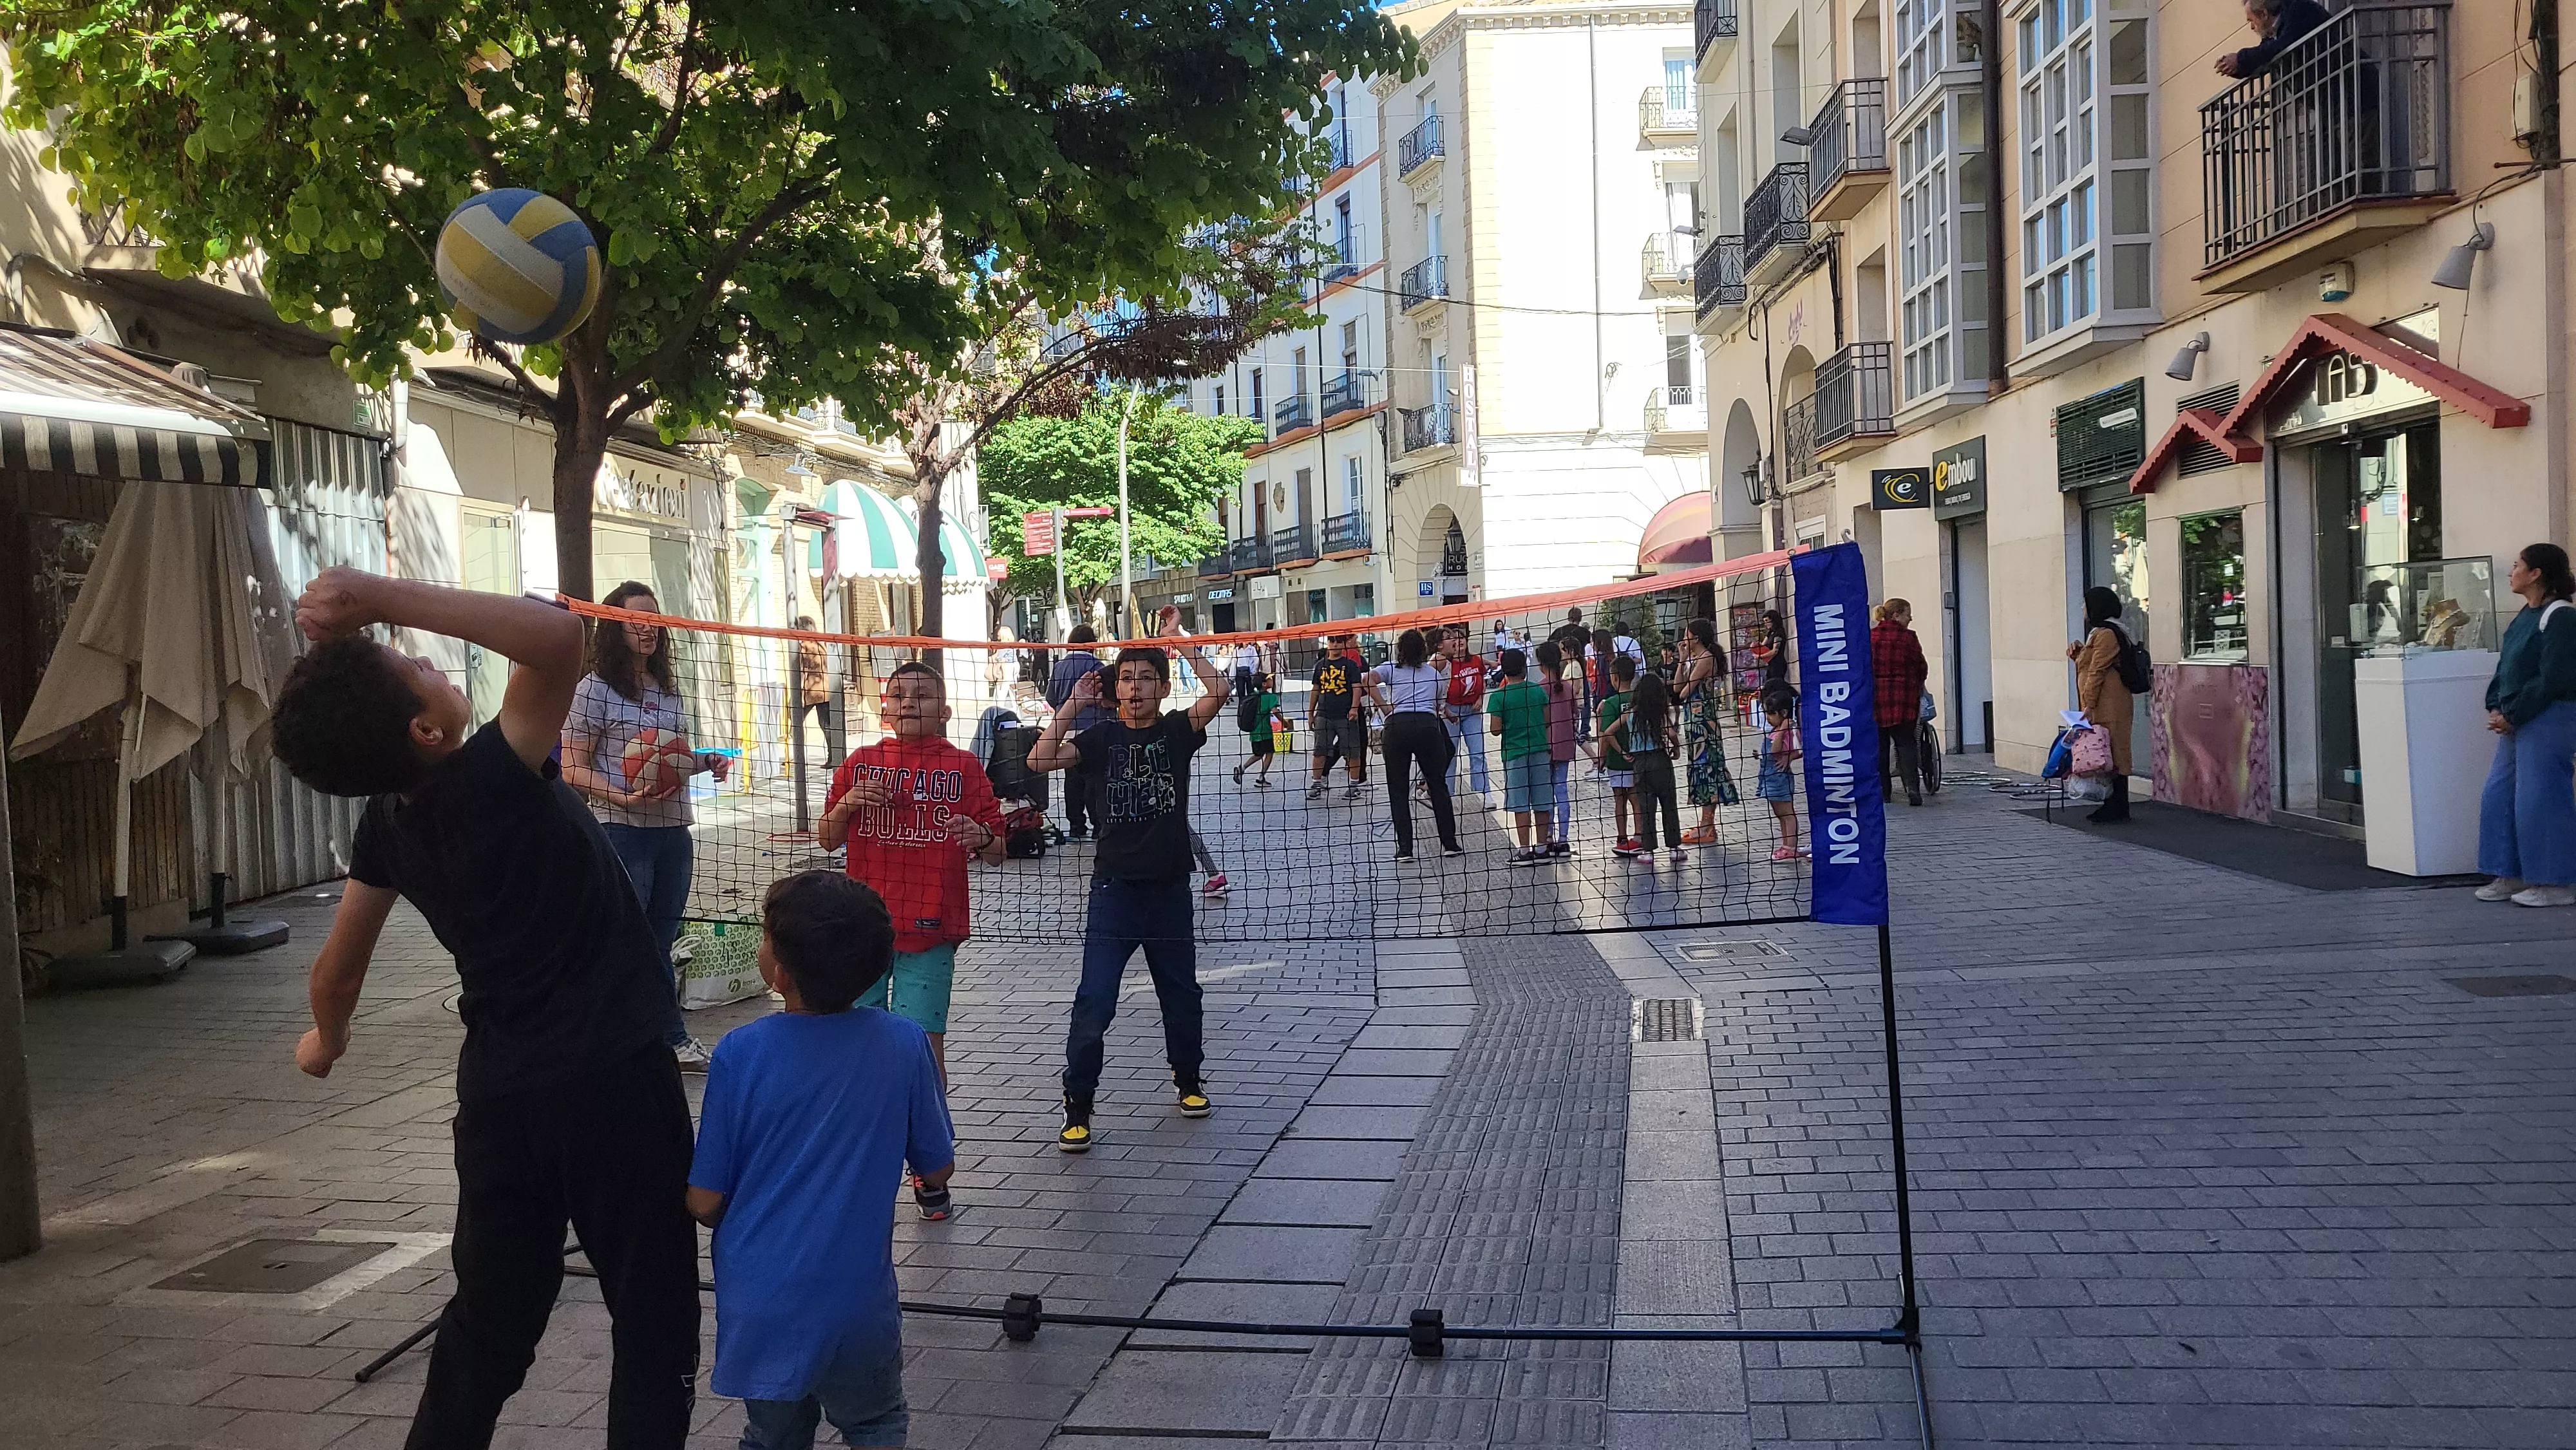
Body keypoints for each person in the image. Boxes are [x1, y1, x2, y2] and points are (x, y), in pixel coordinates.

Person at [270, 570, 697, 1447]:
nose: (429, 657)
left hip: (502, 1099)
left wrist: (327, 1041)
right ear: (428, 729)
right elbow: (555, 642)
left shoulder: (388, 821)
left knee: (490, 1324)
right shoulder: (494, 774)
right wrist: (380, 600)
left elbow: (336, 974)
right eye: (415, 665)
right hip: (612, 1082)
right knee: (655, 1323)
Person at [687, 871, 954, 1450]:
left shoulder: (739, 1052)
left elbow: (705, 1200)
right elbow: (936, 1170)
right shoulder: (905, 1043)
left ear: (781, 973)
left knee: (773, 1437)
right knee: (876, 1423)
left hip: (764, 1304)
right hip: (858, 1304)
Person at [1027, 607, 1230, 1151]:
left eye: (1144, 679)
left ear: (1162, 689)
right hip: (1113, 893)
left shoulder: (1174, 731)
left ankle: (1188, 1079)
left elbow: (1221, 689)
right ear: (1113, 689)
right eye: (1125, 679)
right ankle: (1078, 1104)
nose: (1134, 687)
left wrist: (1177, 641)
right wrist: (1074, 704)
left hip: (1168, 890)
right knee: (1095, 999)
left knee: (1181, 996)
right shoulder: (1100, 739)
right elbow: (1040, 760)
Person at [817, 661, 1002, 1220]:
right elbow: (826, 839)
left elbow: (996, 850)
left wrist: (983, 835)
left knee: (923, 1046)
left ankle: (929, 1165)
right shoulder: (862, 762)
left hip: (931, 928)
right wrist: (850, 802)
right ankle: (860, 1154)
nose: (909, 703)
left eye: (923, 695)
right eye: (898, 695)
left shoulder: (963, 767)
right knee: (856, 1041)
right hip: (863, 929)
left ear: (945, 709)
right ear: (883, 707)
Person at [563, 580, 732, 1071]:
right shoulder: (593, 691)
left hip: (673, 830)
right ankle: (636, 1038)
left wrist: (705, 761)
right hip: (622, 829)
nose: (647, 628)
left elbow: (665, 760)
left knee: (660, 938)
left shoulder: (665, 689)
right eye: (635, 619)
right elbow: (572, 767)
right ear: (613, 629)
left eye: (654, 619)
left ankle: (659, 1038)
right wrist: (622, 797)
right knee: (625, 940)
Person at [2474, 543, 2576, 909]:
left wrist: (2512, 713)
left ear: (2536, 574)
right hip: (2519, 715)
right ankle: (2510, 872)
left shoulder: (2561, 617)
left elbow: (2554, 678)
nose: (2511, 571)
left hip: (2548, 716)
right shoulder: (2524, 616)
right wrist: (2497, 705)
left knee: (2542, 797)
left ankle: (2555, 881)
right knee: (2499, 795)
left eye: (2518, 565)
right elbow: (2508, 667)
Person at [1359, 628, 1464, 862]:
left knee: (1398, 790)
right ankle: (1450, 844)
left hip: (1397, 727)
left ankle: (1405, 849)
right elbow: (1439, 706)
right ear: (1424, 650)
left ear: (1400, 649)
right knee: (1438, 785)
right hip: (1427, 726)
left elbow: (1366, 680)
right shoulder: (1434, 674)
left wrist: (1385, 707)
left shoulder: (1390, 668)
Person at [2069, 587, 2137, 824]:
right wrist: (2079, 653)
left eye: (2086, 604)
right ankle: (2112, 804)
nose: (2083, 609)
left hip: (2111, 703)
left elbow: (2097, 671)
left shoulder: (2107, 634)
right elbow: (2090, 665)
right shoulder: (2100, 633)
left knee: (2115, 750)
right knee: (2106, 750)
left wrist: (2088, 703)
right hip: (2103, 702)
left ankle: (2118, 806)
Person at [1606, 670, 1683, 866]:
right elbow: (1672, 733)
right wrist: (1676, 748)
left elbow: (1609, 732)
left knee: (1646, 807)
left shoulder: (1631, 714)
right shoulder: (1659, 713)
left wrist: (1623, 752)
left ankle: (1648, 850)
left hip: (1639, 763)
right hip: (1660, 759)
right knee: (1669, 804)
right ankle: (1674, 848)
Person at [1673, 617, 1736, 845]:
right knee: (1700, 768)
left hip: (1704, 722)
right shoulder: (1693, 659)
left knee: (1708, 768)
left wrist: (1687, 673)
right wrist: (1681, 661)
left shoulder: (1706, 658)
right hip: (1695, 722)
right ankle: (1705, 824)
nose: (1683, 640)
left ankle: (1708, 825)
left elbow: (1684, 693)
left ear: (1696, 637)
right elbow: (1677, 687)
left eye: (1686, 636)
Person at [1486, 648, 1552, 864]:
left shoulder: (1499, 697)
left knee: (1520, 802)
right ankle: (1542, 848)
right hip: (1540, 751)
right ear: (1525, 668)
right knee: (1542, 800)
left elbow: (1495, 730)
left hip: (1514, 754)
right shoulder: (1537, 691)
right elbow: (1548, 720)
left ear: (1504, 671)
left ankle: (1524, 851)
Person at [1046, 625, 1111, 841]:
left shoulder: (1060, 666)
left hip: (1066, 728)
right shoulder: (1096, 666)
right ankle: (1097, 825)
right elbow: (1105, 698)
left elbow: (1050, 698)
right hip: (1091, 728)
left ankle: (1075, 825)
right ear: (1092, 643)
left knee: (1071, 780)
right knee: (1093, 779)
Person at [1870, 599, 1931, 809]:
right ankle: (1912, 788)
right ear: (1896, 615)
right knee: (1906, 744)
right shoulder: (1908, 638)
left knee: (1880, 747)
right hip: (1904, 699)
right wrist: (1917, 684)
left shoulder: (1871, 637)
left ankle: (1884, 792)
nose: (1910, 618)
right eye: (1908, 614)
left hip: (1876, 700)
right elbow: (1921, 667)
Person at [1307, 632, 1370, 802]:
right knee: (1320, 750)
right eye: (1332, 640)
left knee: (1352, 750)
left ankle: (1354, 785)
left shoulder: (1351, 665)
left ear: (1344, 643)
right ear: (1328, 643)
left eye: (1338, 641)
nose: (1334, 644)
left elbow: (1357, 687)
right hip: (1324, 714)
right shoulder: (1321, 666)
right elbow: (1315, 690)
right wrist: (1311, 713)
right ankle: (1316, 784)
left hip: (1345, 714)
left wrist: (1354, 709)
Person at [1535, 639, 1580, 858]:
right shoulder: (1569, 688)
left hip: (1544, 747)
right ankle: (1564, 840)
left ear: (1540, 663)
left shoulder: (1539, 688)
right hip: (1565, 746)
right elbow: (1575, 715)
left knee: (1546, 794)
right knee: (1561, 791)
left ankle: (1548, 837)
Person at [1591, 654, 1640, 852]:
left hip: (1617, 760)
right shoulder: (1638, 699)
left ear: (1614, 677)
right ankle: (1639, 836)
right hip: (1638, 758)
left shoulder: (1611, 703)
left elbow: (1605, 734)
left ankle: (1622, 838)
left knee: (1619, 799)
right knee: (1636, 798)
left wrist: (1601, 758)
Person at [2213, 0, 2329, 79]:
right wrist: (2236, 67)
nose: (2252, 27)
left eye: (2252, 21)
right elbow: (2263, 57)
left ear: (2264, 14)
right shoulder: (2275, 32)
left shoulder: (2300, 10)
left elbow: (2280, 46)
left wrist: (2239, 58)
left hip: (2334, 76)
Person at [1439, 625, 1492, 796]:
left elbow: (1482, 681)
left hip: (1472, 712)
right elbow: (1437, 688)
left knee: (1478, 753)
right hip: (1451, 712)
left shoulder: (1475, 660)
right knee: (1450, 754)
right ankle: (1447, 792)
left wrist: (1480, 698)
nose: (1460, 641)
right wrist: (1445, 709)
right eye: (1456, 639)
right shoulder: (1444, 663)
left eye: (1462, 638)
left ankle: (1484, 792)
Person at [1757, 681, 1805, 862]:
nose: (1768, 718)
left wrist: (1784, 727)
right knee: (1780, 814)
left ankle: (1790, 847)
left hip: (1780, 777)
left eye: (1770, 714)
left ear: (1783, 713)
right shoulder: (1777, 729)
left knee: (1787, 813)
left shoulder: (1788, 729)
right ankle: (1786, 845)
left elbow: (1779, 751)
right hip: (1770, 776)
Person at [791, 615, 846, 770]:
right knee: (827, 724)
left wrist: (798, 692)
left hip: (814, 691)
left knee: (799, 722)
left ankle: (801, 757)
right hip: (827, 689)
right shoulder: (820, 644)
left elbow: (803, 671)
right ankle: (836, 756)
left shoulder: (804, 647)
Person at [1551, 608, 1596, 740]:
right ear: (1580, 618)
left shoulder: (1560, 631)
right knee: (1585, 698)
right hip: (1580, 667)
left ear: (1568, 617)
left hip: (1562, 667)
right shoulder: (1585, 633)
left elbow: (1550, 642)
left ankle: (1566, 726)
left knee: (1562, 696)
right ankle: (1584, 730)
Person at [1232, 673, 1283, 787]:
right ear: (1265, 684)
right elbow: (1275, 711)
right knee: (1269, 753)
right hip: (1265, 732)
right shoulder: (1271, 697)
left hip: (1254, 732)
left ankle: (1242, 769)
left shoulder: (1253, 696)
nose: (1272, 680)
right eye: (1269, 679)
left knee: (1259, 754)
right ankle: (1261, 777)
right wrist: (1284, 722)